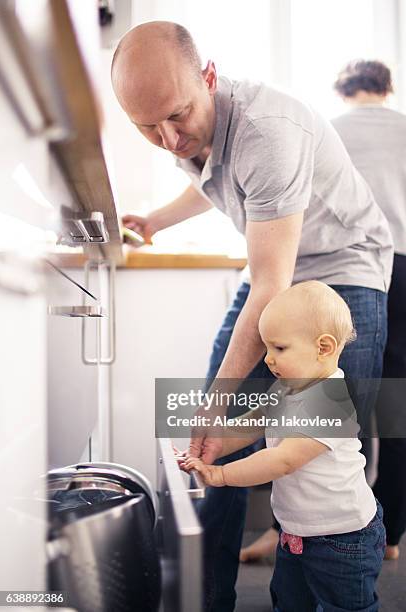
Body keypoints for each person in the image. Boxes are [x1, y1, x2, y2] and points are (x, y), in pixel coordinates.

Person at [111, 22, 393, 611]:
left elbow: (270, 286)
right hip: (273, 267)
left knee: (322, 442)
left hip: (343, 271)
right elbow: (212, 182)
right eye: (146, 126)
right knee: (213, 438)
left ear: (209, 78)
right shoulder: (188, 131)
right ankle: (208, 599)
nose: (167, 136)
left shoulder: (268, 130)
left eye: (177, 115)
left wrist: (218, 397)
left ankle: (338, 582)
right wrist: (156, 221)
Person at [183, 281, 386, 612]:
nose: (268, 359)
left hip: (342, 539)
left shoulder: (330, 402)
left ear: (323, 347)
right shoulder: (288, 386)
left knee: (345, 607)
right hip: (297, 534)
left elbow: (283, 461)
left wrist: (220, 475)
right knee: (290, 601)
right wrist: (216, 445)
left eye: (279, 348)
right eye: (266, 347)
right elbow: (256, 422)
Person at [332, 59, 406, 561]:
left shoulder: (328, 131)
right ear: (387, 88)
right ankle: (393, 536)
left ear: (344, 91)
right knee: (398, 407)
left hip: (351, 268)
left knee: (330, 400)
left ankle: (322, 526)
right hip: (404, 268)